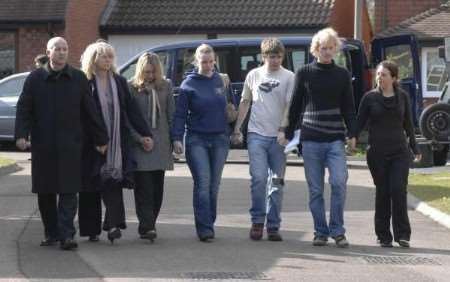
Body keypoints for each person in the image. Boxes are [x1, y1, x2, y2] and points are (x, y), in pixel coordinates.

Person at [15, 37, 109, 250]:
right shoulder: (35, 79)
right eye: (57, 49)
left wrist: (101, 138)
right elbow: (24, 108)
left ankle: (67, 235)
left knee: (69, 191)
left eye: (65, 49)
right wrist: (21, 135)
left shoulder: (78, 78)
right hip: (44, 146)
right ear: (48, 52)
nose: (61, 52)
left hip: (71, 145)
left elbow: (90, 111)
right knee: (45, 192)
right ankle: (51, 233)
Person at [285, 28, 356, 248]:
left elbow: (349, 107)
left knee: (338, 182)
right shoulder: (304, 72)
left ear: (336, 49)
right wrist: (287, 134)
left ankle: (338, 230)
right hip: (311, 139)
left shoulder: (342, 74)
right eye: (322, 48)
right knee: (315, 189)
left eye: (330, 48)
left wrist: (352, 134)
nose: (326, 52)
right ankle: (320, 231)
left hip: (335, 138)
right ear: (315, 50)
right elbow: (295, 104)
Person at [78, 41, 152, 244]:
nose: (108, 60)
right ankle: (91, 229)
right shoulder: (84, 82)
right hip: (91, 142)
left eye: (110, 56)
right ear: (93, 59)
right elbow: (81, 115)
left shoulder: (119, 82)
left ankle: (112, 226)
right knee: (90, 185)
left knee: (113, 181)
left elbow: (130, 110)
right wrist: (96, 139)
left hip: (116, 141)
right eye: (104, 56)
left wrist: (145, 133)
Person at [350, 61, 421, 248]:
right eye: (378, 74)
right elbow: (359, 121)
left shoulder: (403, 97)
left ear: (394, 78)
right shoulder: (369, 98)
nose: (380, 77)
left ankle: (403, 234)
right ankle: (383, 235)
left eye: (384, 74)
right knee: (383, 193)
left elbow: (409, 125)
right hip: (377, 154)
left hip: (399, 152)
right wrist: (353, 137)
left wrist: (415, 148)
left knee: (398, 190)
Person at [231, 37, 294, 241]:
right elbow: (245, 102)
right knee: (258, 179)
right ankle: (258, 221)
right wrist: (237, 128)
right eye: (270, 56)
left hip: (278, 137)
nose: (274, 60)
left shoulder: (289, 77)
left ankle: (273, 225)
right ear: (263, 56)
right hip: (256, 134)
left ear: (282, 56)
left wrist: (284, 130)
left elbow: (289, 106)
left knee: (276, 182)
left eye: (277, 56)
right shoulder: (254, 75)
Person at [171, 44, 230, 242]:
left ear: (215, 61)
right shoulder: (188, 85)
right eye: (203, 61)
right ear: (196, 62)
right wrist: (177, 138)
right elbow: (179, 115)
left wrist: (235, 125)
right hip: (197, 139)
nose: (207, 65)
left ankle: (208, 221)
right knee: (203, 183)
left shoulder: (221, 81)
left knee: (214, 186)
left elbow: (228, 108)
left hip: (220, 138)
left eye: (210, 61)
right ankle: (205, 228)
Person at [128, 52, 175, 241]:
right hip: (141, 144)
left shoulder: (166, 86)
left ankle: (150, 222)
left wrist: (176, 140)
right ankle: (147, 226)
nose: (149, 76)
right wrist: (139, 138)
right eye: (146, 72)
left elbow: (171, 115)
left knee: (157, 189)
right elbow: (127, 119)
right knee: (144, 188)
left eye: (153, 72)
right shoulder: (131, 87)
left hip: (161, 143)